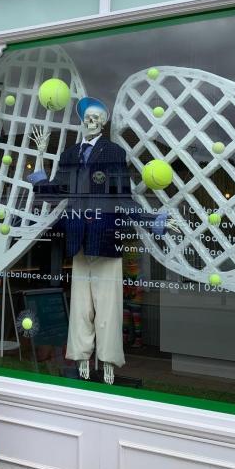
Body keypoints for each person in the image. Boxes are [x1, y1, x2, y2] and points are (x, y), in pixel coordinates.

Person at [29, 97, 178, 384]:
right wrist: (40, 156)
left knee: (109, 306)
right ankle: (82, 356)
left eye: (97, 117)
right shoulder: (70, 154)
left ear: (104, 122)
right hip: (78, 240)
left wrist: (153, 220)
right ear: (82, 120)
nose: (91, 122)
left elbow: (122, 198)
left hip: (106, 238)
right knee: (80, 306)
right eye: (87, 117)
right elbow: (54, 193)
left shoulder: (113, 152)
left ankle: (108, 360)